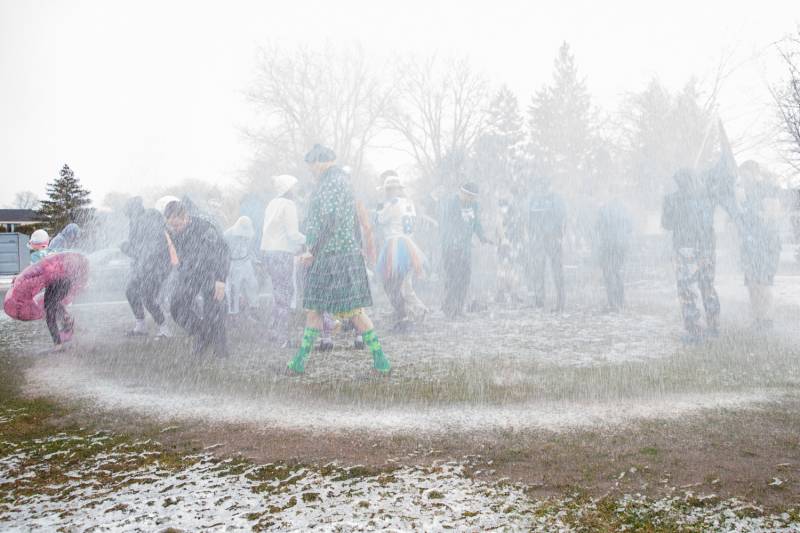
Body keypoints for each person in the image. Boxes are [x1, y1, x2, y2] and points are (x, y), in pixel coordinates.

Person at [286, 144, 391, 374]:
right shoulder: (334, 182)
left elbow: (331, 221)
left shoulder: (333, 183)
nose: (311, 171)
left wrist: (313, 250)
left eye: (312, 166)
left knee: (353, 312)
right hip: (332, 255)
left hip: (336, 256)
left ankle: (381, 360)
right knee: (315, 310)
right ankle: (300, 361)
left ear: (320, 162)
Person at [164, 200, 231, 357]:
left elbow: (223, 253)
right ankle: (202, 333)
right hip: (190, 273)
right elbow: (181, 252)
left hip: (211, 272)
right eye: (171, 226)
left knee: (214, 310)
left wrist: (220, 279)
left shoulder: (205, 228)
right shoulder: (173, 230)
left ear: (186, 217)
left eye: (178, 225)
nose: (175, 229)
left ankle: (220, 351)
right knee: (177, 306)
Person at [661, 168, 720, 344]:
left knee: (686, 288)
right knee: (707, 285)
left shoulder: (672, 199)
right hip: (707, 248)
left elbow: (666, 224)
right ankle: (714, 325)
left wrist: (670, 207)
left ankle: (694, 329)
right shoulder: (708, 197)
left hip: (685, 247)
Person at [375, 172, 428, 331]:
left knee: (393, 283)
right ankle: (415, 310)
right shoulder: (409, 203)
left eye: (390, 190)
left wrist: (380, 208)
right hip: (408, 243)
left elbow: (379, 220)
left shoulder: (393, 204)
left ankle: (406, 314)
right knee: (405, 283)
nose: (388, 193)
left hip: (395, 244)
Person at [4, 252, 89, 348]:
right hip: (63, 282)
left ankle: (58, 345)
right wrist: (20, 278)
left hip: (57, 283)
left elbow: (35, 273)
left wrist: (20, 278)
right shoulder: (49, 263)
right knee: (53, 305)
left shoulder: (46, 263)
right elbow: (34, 272)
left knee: (50, 314)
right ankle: (69, 323)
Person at [261, 174, 306, 346]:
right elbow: (293, 234)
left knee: (277, 292)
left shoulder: (272, 204)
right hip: (282, 253)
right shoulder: (289, 205)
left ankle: (273, 330)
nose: (295, 190)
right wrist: (310, 239)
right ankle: (283, 338)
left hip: (268, 252)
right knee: (285, 294)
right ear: (288, 189)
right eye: (293, 187)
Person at [736, 161, 782, 331]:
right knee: (752, 284)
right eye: (741, 175)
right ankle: (758, 318)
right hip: (750, 246)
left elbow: (772, 216)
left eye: (746, 175)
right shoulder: (744, 194)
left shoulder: (768, 188)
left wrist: (758, 217)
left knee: (763, 283)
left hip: (766, 246)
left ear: (755, 173)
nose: (743, 178)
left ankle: (767, 320)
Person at [121, 197, 173, 337]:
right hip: (144, 265)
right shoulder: (136, 223)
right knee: (130, 290)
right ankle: (141, 325)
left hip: (157, 266)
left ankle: (164, 329)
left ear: (135, 210)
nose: (130, 218)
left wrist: (129, 249)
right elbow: (138, 250)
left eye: (130, 214)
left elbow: (152, 249)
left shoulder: (149, 220)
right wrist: (128, 248)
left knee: (147, 296)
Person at [438, 182, 491, 318]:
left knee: (464, 278)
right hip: (451, 248)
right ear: (462, 193)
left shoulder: (474, 205)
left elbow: (476, 223)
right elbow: (446, 226)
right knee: (453, 278)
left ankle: (459, 307)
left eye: (474, 197)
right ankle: (449, 307)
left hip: (465, 249)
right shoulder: (451, 204)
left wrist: (482, 237)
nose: (471, 199)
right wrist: (452, 242)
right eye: (469, 196)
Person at [526, 177, 566, 312]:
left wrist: (560, 235)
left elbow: (562, 218)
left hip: (552, 239)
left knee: (556, 270)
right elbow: (530, 220)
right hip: (539, 240)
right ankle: (540, 299)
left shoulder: (556, 199)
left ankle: (560, 300)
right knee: (539, 270)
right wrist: (532, 236)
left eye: (544, 187)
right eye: (541, 186)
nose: (542, 189)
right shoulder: (534, 200)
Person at [596, 199, 633, 312]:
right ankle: (620, 301)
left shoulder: (603, 210)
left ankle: (612, 302)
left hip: (607, 245)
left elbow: (597, 228)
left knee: (608, 273)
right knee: (617, 271)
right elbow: (630, 229)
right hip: (620, 245)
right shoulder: (624, 210)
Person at [224, 216, 260, 316]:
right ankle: (233, 312)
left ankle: (254, 306)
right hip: (233, 263)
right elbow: (223, 249)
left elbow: (251, 249)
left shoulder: (251, 235)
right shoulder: (228, 234)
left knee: (252, 284)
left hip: (246, 262)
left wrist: (255, 261)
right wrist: (225, 265)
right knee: (234, 288)